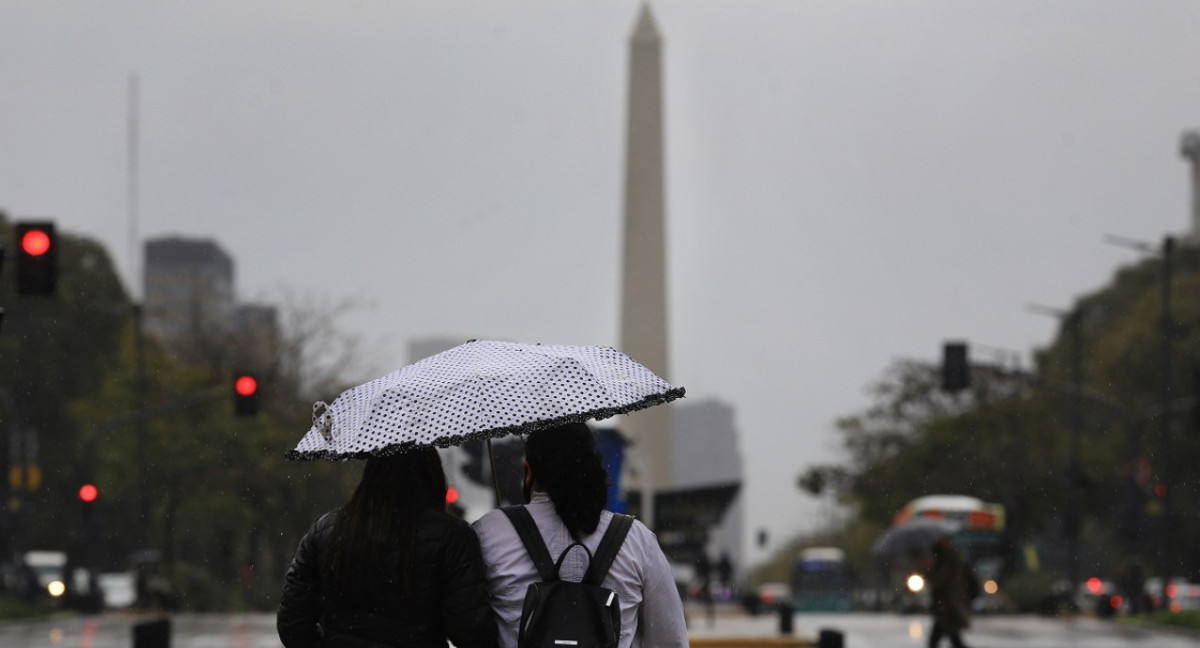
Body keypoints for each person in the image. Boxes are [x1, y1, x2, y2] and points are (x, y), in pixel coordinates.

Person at [472, 422, 689, 648]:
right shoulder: (636, 540)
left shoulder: (489, 533)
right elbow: (670, 640)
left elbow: (470, 627)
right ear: (592, 467)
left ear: (528, 472)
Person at [277, 448, 497, 648]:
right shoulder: (452, 537)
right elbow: (471, 631)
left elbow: (292, 622)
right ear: (432, 475)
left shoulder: (327, 531)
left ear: (370, 475)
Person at [925, 535, 971, 648]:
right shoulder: (939, 556)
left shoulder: (948, 558)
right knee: (953, 638)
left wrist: (930, 575)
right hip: (945, 604)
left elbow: (941, 580)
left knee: (937, 639)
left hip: (948, 604)